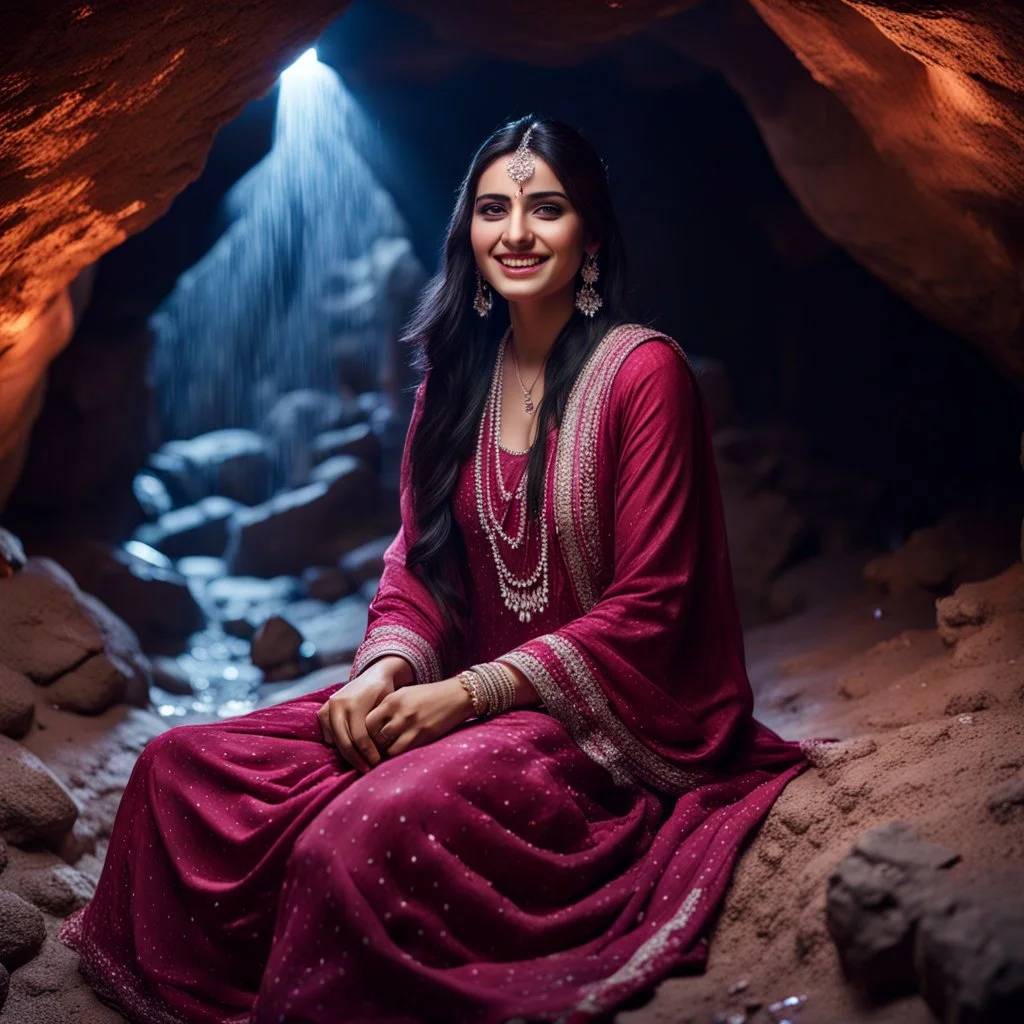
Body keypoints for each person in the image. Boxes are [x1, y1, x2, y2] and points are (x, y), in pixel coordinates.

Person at [60, 115, 807, 1024]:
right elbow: (417, 565)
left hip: (591, 726)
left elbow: (652, 606)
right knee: (178, 767)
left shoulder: (643, 376)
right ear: (468, 233)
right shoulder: (455, 383)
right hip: (444, 697)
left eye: (548, 208)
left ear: (594, 234)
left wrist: (469, 697)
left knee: (351, 843)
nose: (518, 233)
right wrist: (386, 670)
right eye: (494, 209)